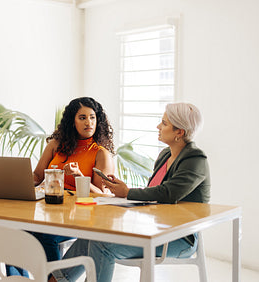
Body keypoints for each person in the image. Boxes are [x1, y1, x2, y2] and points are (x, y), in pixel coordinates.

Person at [50, 102, 210, 282]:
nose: (158, 126)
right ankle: (57, 280)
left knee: (103, 245)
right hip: (154, 230)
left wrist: (127, 192)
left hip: (177, 239)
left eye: (164, 123)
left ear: (179, 132)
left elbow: (168, 194)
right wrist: (121, 190)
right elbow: (153, 194)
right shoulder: (166, 154)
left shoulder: (195, 158)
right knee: (91, 236)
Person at [6, 97, 115, 277]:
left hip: (80, 216)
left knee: (47, 236)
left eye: (93, 117)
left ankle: (52, 279)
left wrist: (79, 176)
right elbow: (37, 176)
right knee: (16, 232)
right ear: (72, 121)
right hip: (50, 210)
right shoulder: (56, 145)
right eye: (82, 118)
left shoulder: (100, 153)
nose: (89, 122)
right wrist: (15, 179)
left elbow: (102, 195)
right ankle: (19, 280)